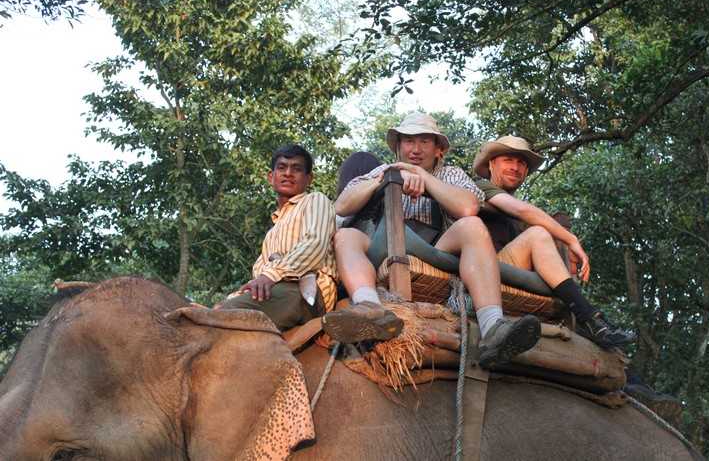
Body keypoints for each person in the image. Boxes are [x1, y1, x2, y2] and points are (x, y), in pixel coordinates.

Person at [325, 112, 541, 368]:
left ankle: (493, 325)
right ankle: (369, 309)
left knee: (472, 225)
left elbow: (468, 207)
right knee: (346, 235)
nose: (415, 149)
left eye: (424, 142)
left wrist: (423, 178)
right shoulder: (382, 170)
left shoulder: (451, 174)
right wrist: (389, 178)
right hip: (384, 243)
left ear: (438, 149)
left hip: (433, 246)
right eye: (408, 141)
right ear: (398, 146)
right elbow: (342, 205)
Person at [472, 135, 636, 348]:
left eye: (521, 163)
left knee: (543, 234)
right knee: (539, 234)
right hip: (481, 273)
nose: (515, 167)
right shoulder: (479, 187)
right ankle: (590, 319)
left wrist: (562, 251)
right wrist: (570, 240)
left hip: (509, 270)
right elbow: (522, 211)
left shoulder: (518, 213)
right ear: (491, 164)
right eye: (508, 160)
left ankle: (592, 323)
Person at [216, 144, 337, 330]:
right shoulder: (273, 231)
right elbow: (259, 271)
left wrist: (271, 274)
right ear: (271, 177)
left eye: (296, 169)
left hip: (308, 290)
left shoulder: (315, 200)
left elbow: (315, 243)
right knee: (214, 309)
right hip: (278, 289)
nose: (288, 173)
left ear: (309, 178)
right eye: (282, 167)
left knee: (224, 316)